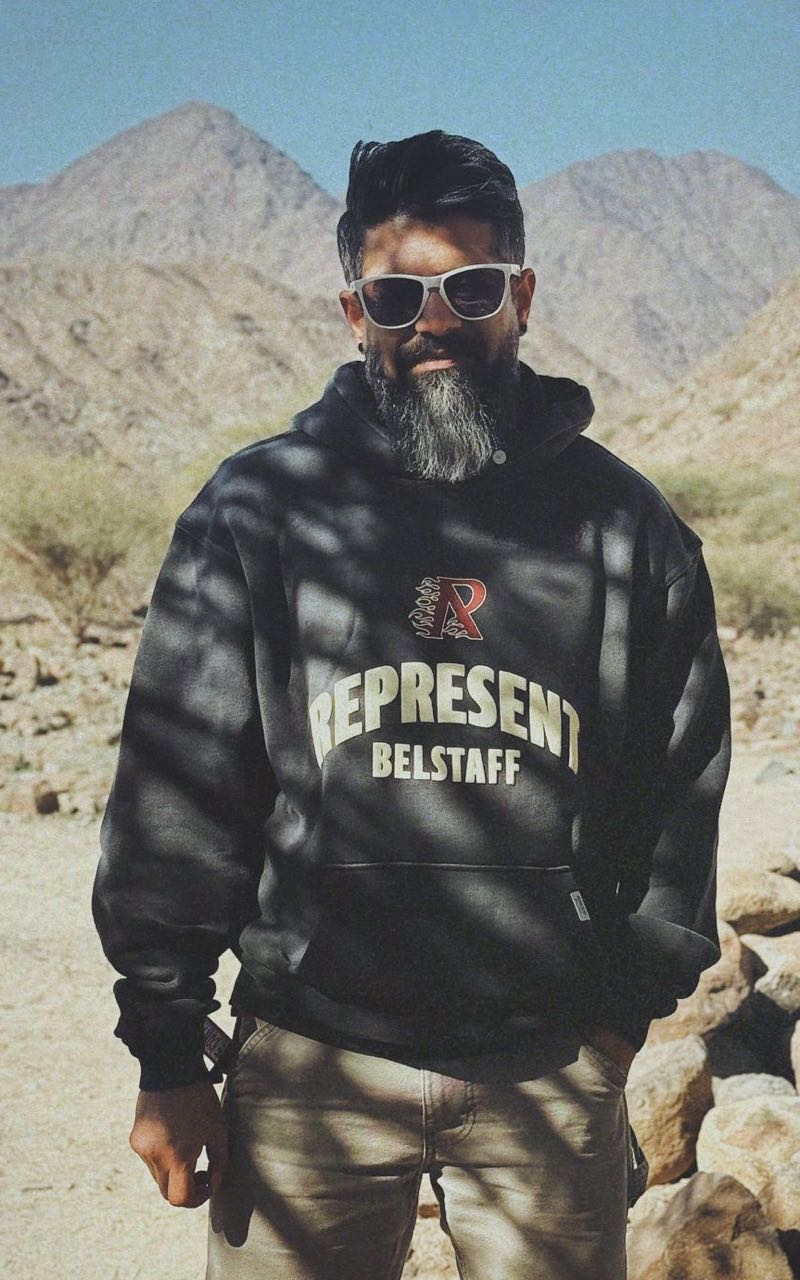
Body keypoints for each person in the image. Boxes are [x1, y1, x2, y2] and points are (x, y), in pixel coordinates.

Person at [92, 130, 731, 1280]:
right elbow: (179, 793)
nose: (432, 322)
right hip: (308, 1064)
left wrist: (614, 1021)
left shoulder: (620, 527)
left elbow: (675, 788)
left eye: (469, 288)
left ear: (521, 296)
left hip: (544, 1071)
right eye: (397, 296)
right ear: (356, 314)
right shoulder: (261, 508)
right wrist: (166, 1050)